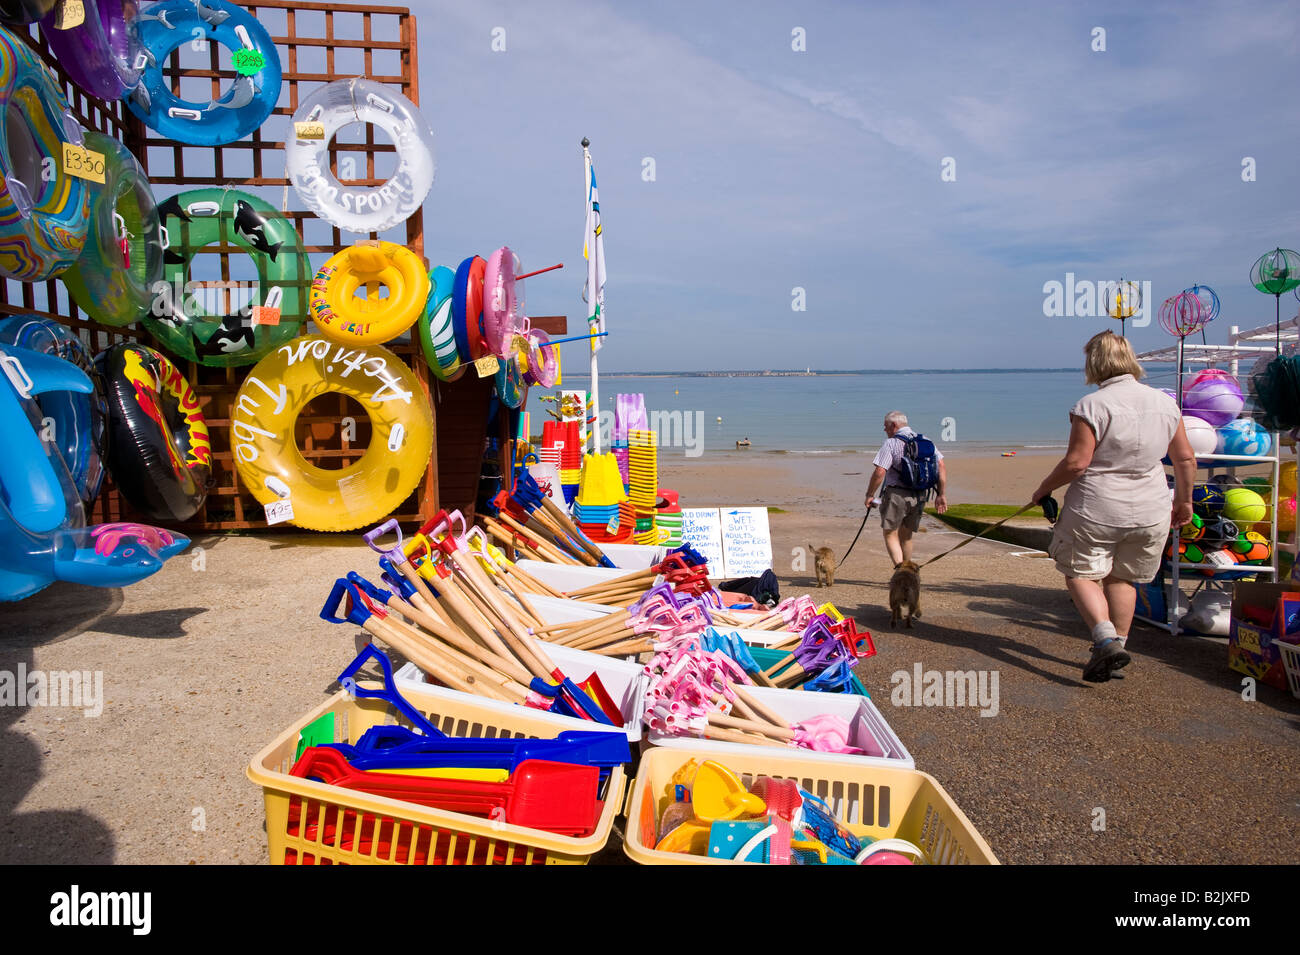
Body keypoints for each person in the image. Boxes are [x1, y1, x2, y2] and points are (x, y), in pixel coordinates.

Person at [1030, 330, 1195, 683]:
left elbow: (1076, 462)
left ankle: (1105, 639)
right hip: (1151, 508)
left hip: (1098, 507)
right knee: (1124, 578)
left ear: (1094, 363)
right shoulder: (1166, 403)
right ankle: (1117, 645)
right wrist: (1184, 500)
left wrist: (1043, 489)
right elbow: (1184, 459)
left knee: (1080, 572)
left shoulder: (1092, 405)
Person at [864, 412, 948, 566]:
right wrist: (941, 494)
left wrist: (870, 494)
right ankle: (909, 570)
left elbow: (880, 472)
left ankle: (901, 571)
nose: (885, 430)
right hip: (920, 494)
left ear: (894, 425)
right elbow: (941, 466)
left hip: (897, 494)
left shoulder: (891, 443)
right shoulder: (926, 440)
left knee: (890, 533)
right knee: (907, 535)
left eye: (886, 426)